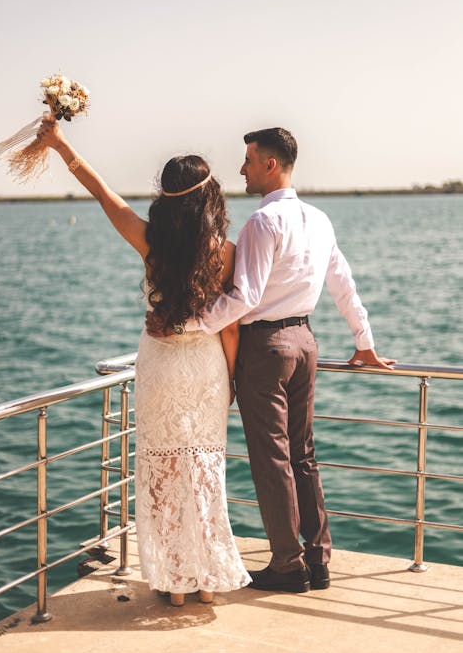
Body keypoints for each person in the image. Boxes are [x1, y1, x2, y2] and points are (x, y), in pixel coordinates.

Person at [149, 127, 395, 593]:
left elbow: (244, 298)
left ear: (269, 165)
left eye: (247, 160)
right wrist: (363, 339)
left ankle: (287, 565)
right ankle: (318, 561)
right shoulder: (319, 219)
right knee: (303, 455)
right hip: (305, 341)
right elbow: (343, 282)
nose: (241, 169)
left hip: (266, 348)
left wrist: (184, 325)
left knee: (271, 460)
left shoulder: (261, 224)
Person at [36, 118, 251, 607]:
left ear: (168, 199)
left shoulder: (149, 240)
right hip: (206, 372)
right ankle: (207, 583)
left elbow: (102, 192)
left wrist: (60, 144)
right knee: (203, 471)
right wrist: (233, 379)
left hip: (158, 368)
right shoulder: (225, 252)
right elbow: (233, 325)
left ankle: (173, 583)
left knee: (163, 470)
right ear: (209, 199)